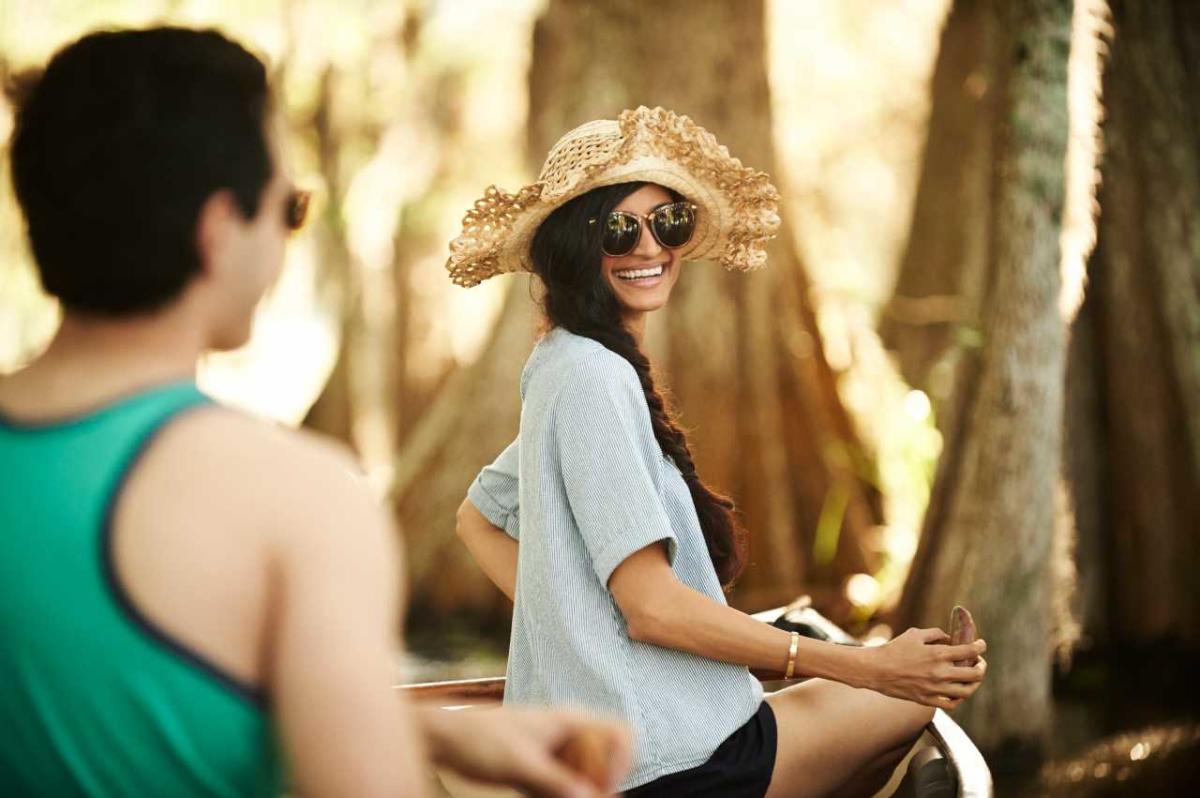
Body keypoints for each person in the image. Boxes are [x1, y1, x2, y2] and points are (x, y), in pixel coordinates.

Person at [0, 27, 629, 798]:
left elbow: (98, 689)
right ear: (219, 228)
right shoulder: (298, 500)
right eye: (289, 208)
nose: (288, 238)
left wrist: (421, 725)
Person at [451, 107, 989, 797]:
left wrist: (579, 628)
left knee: (899, 689)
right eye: (620, 229)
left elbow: (476, 517)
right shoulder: (593, 376)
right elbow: (652, 609)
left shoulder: (562, 364)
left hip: (627, 746)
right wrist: (867, 665)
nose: (650, 248)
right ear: (572, 248)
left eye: (667, 223)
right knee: (908, 696)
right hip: (663, 766)